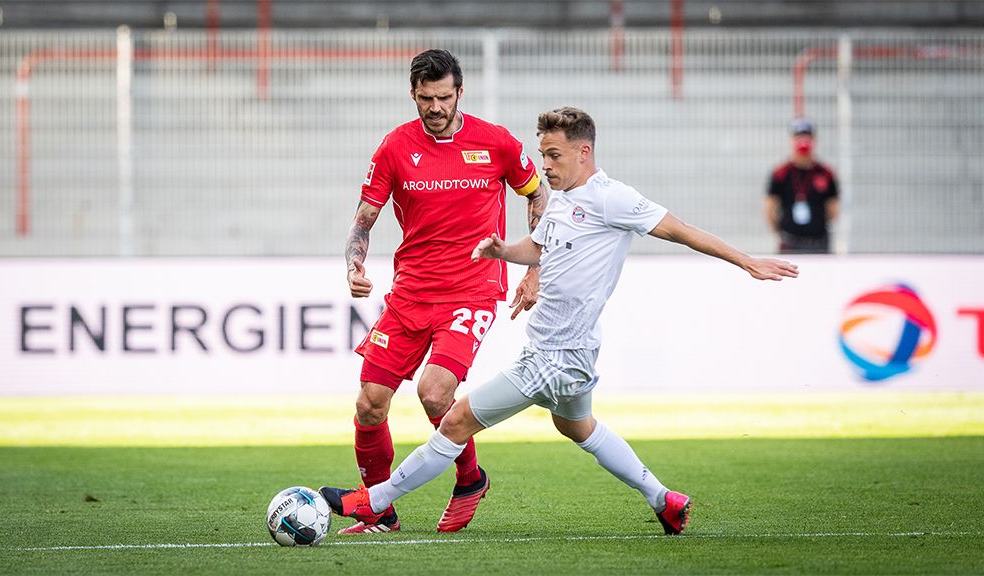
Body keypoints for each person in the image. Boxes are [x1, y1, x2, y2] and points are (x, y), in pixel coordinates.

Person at [322, 107, 799, 536]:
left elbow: (681, 230)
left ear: (583, 152)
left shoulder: (613, 198)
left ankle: (372, 501)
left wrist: (746, 261)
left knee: (455, 421)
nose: (544, 166)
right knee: (579, 428)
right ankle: (664, 499)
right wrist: (502, 251)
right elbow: (537, 248)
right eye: (541, 154)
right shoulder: (564, 199)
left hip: (554, 357)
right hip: (569, 355)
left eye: (553, 155)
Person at [341, 49, 549, 534]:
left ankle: (470, 479)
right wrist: (354, 262)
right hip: (410, 293)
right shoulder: (395, 147)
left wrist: (535, 265)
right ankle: (379, 511)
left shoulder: (495, 142)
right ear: (412, 94)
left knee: (436, 393)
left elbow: (537, 193)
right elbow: (363, 222)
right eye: (425, 98)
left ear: (460, 92)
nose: (435, 107)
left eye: (443, 97)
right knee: (370, 402)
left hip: (471, 290)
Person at [764, 117, 840, 254]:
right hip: (790, 242)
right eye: (798, 137)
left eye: (807, 137)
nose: (803, 142)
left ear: (814, 140)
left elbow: (833, 210)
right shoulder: (781, 173)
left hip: (819, 242)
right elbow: (770, 209)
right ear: (791, 140)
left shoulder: (826, 173)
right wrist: (782, 232)